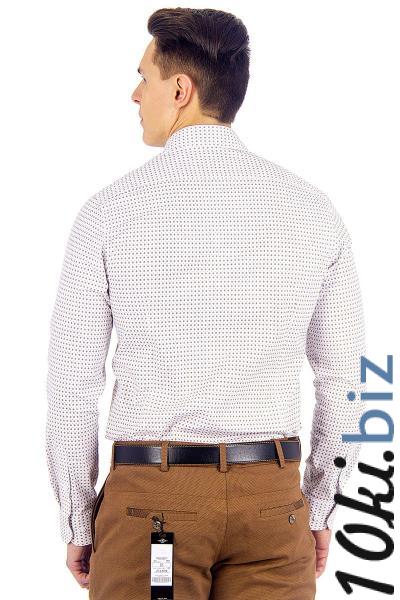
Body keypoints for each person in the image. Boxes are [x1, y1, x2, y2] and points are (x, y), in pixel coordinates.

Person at [45, 7, 366, 600]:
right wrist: (323, 503)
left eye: (142, 77)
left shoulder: (109, 213)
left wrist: (76, 517)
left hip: (150, 504)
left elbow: (74, 381)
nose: (134, 94)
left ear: (180, 90)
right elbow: (347, 377)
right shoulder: (313, 212)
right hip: (273, 505)